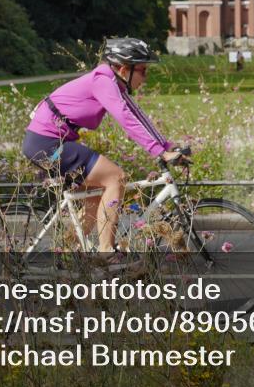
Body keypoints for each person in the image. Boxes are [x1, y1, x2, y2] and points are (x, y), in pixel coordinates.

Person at [22, 37, 188, 253]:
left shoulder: (111, 81)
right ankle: (106, 253)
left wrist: (165, 146)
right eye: (142, 71)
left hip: (50, 143)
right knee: (115, 177)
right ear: (123, 68)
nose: (145, 78)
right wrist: (158, 151)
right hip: (47, 145)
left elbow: (137, 114)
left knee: (97, 194)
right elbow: (126, 119)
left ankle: (67, 253)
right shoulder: (102, 81)